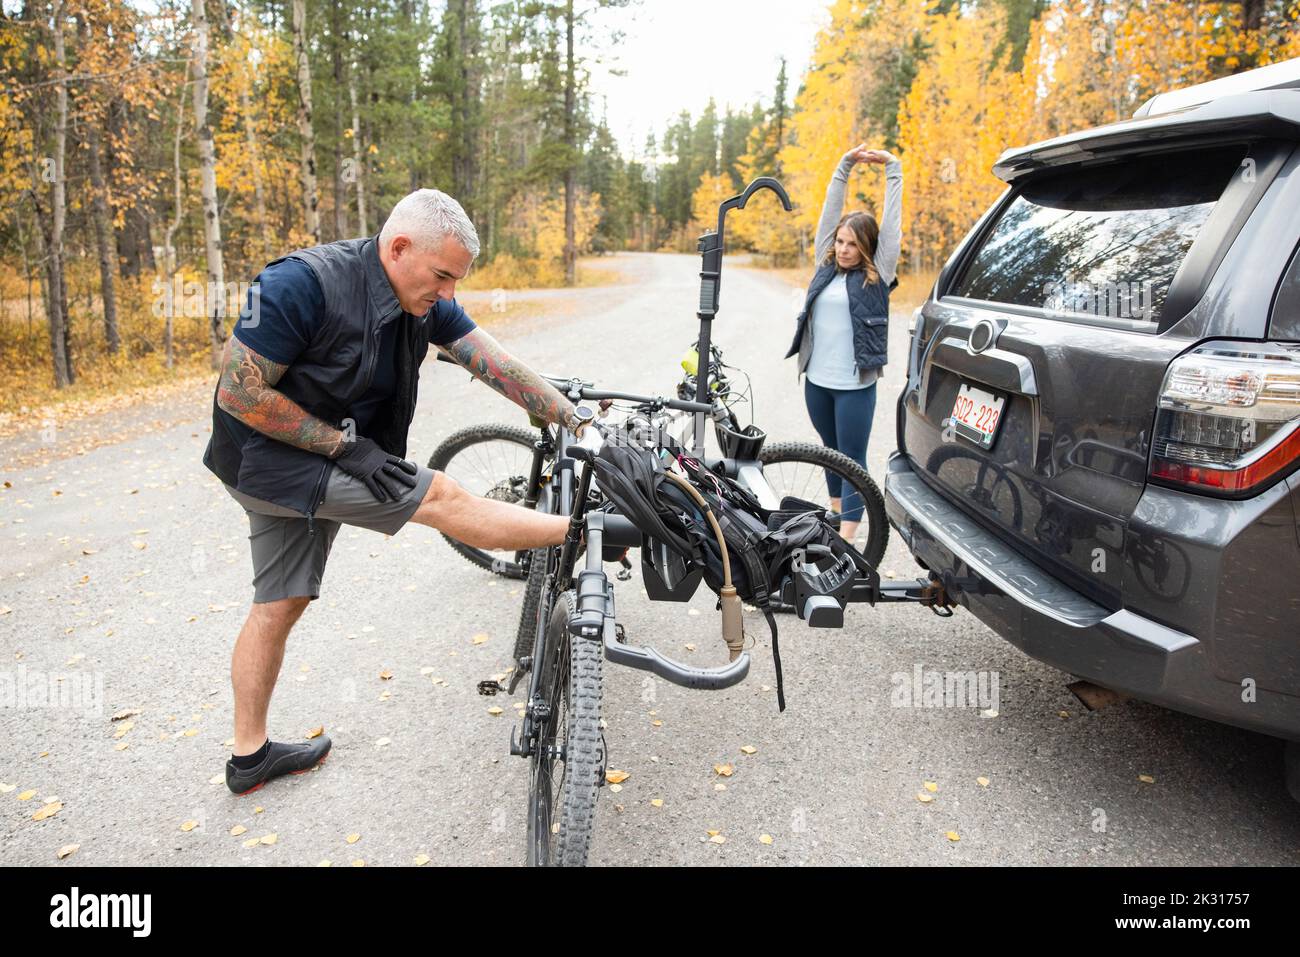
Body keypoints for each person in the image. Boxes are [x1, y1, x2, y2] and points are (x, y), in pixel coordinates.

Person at [202, 188, 586, 795]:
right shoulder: (300, 284)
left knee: (280, 601)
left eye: (456, 281)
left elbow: (492, 363)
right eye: (442, 276)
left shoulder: (422, 298)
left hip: (315, 457)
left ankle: (249, 757)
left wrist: (575, 419)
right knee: (441, 499)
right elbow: (239, 394)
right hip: (271, 461)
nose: (448, 293)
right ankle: (588, 531)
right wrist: (346, 449)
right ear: (399, 247)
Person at [785, 143, 902, 545]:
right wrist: (844, 165)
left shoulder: (878, 275)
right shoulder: (825, 265)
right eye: (840, 242)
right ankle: (835, 523)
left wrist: (892, 169)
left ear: (866, 247)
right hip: (817, 382)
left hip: (854, 387)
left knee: (852, 461)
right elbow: (829, 214)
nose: (843, 249)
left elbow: (893, 227)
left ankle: (848, 541)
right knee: (828, 454)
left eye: (852, 244)